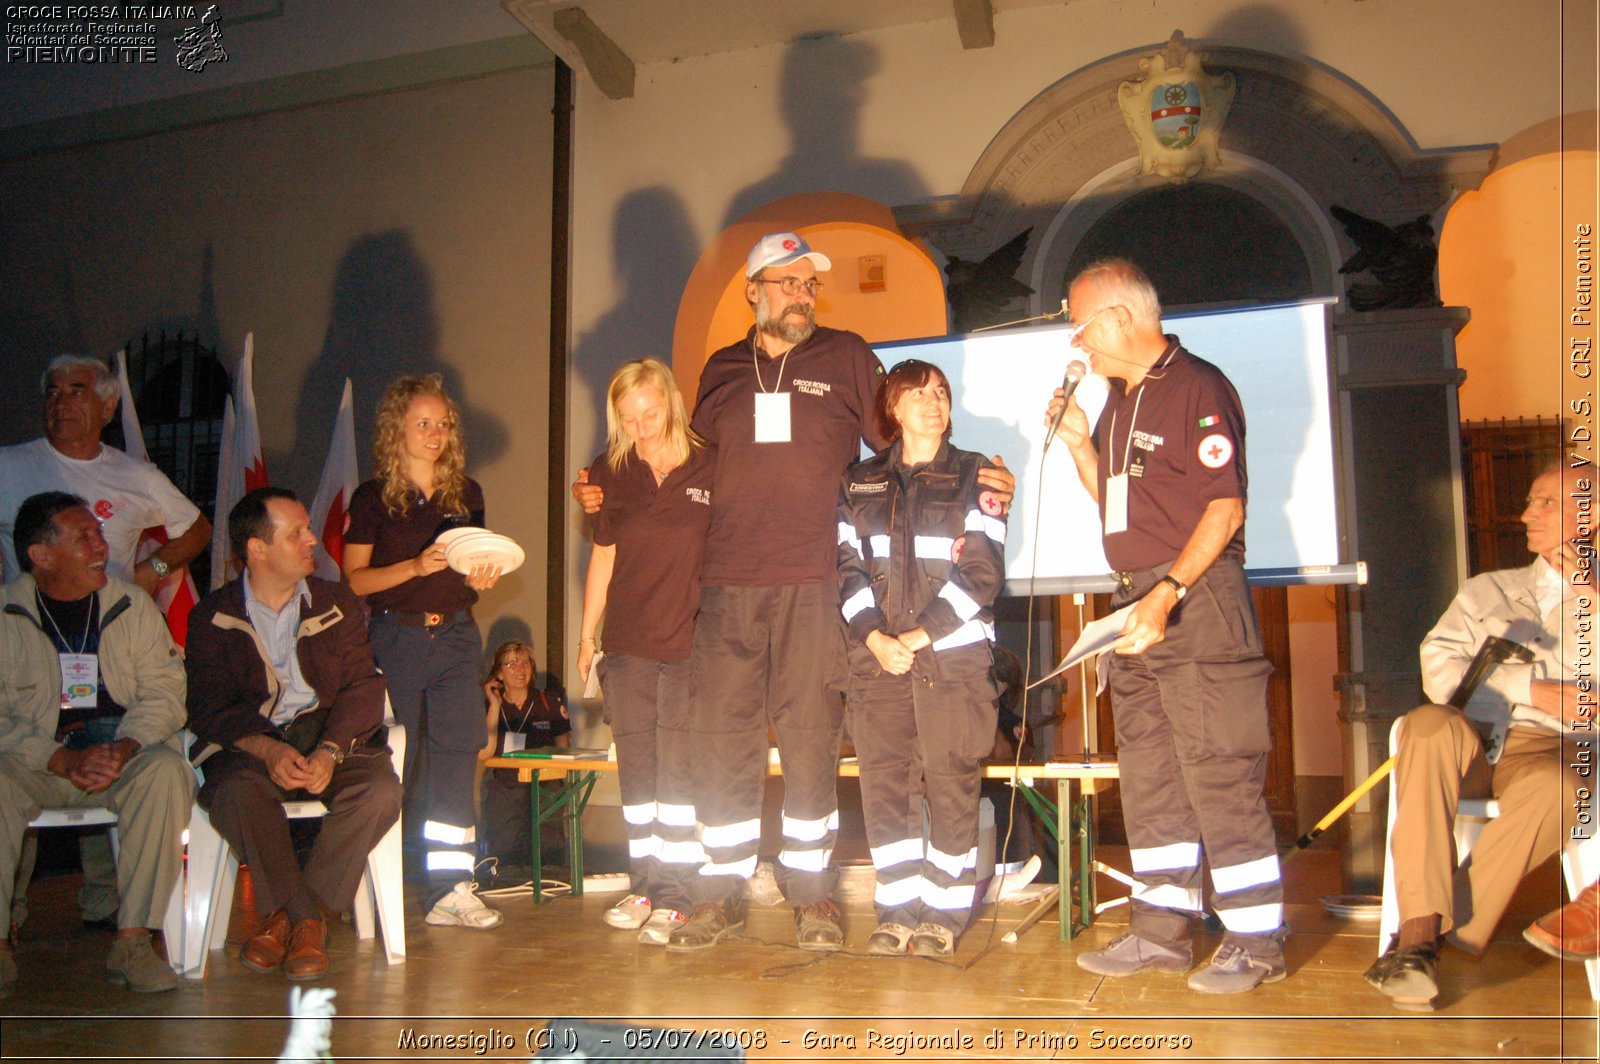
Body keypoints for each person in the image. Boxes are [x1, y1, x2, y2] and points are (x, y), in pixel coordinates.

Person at [575, 234, 1014, 954]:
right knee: (723, 748)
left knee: (811, 743)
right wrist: (601, 491)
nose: (801, 296)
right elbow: (672, 466)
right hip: (724, 590)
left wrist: (979, 481)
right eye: (786, 284)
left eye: (809, 285)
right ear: (754, 291)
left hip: (816, 584)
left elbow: (907, 440)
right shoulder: (719, 371)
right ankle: (720, 895)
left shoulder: (846, 357)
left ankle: (814, 898)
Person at [1046, 258, 1284, 993]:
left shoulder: (1197, 387)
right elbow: (1118, 506)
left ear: (1119, 318)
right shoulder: (1118, 398)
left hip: (1196, 601)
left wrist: (1169, 591)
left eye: (1078, 325)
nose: (1074, 341)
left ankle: (1256, 940)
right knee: (1151, 777)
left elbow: (1225, 507)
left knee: (1218, 770)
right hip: (1136, 605)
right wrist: (1081, 443)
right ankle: (1161, 934)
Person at [1364, 461, 1598, 1010]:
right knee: (1423, 726)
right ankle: (1424, 931)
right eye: (1530, 501)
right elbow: (1438, 669)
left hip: (1556, 750)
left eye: (1545, 502)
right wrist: (1528, 687)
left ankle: (1420, 943)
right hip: (1473, 737)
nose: (1525, 514)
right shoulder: (1489, 590)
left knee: (1562, 790)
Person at [0, 354, 211, 935]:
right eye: (52, 391)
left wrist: (151, 572)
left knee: (123, 748)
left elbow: (195, 527)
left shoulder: (133, 475)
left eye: (76, 391)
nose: (60, 402)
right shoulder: (11, 465)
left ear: (108, 406)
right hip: (27, 643)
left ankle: (117, 917)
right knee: (24, 757)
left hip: (115, 641)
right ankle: (9, 920)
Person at [185, 487, 402, 981]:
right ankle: (309, 921)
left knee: (379, 792)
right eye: (297, 532)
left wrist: (329, 750)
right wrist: (265, 747)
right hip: (254, 744)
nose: (312, 540)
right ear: (257, 549)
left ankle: (287, 920)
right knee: (235, 792)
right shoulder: (212, 616)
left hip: (331, 737)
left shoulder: (335, 601)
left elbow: (364, 688)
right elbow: (207, 708)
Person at [836, 359, 1005, 957]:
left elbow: (981, 573)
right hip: (877, 662)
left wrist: (918, 636)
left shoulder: (977, 475)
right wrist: (877, 639)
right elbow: (846, 570)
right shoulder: (857, 481)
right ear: (893, 409)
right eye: (918, 394)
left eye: (941, 393)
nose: (933, 403)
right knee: (885, 789)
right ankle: (897, 907)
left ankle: (944, 912)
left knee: (952, 784)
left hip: (952, 663)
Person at [0, 492, 193, 995]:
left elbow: (166, 694)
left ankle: (132, 942)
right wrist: (60, 758)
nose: (100, 545)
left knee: (167, 772)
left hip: (118, 756)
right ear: (41, 555)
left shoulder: (132, 608)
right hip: (37, 762)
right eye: (82, 536)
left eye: (98, 534)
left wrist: (126, 747)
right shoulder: (6, 616)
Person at [343, 374, 504, 931]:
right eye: (423, 423)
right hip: (397, 637)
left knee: (461, 753)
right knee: (398, 760)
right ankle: (368, 879)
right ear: (398, 429)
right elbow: (355, 581)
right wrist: (413, 567)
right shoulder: (372, 497)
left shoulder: (467, 493)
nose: (435, 434)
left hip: (457, 634)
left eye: (443, 424)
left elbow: (471, 569)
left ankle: (452, 888)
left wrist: (483, 576)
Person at [576, 359, 715, 946]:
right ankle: (645, 886)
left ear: (672, 402)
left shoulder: (712, 460)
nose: (641, 426)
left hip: (690, 644)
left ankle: (678, 896)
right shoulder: (612, 470)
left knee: (678, 775)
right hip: (628, 646)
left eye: (650, 413)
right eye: (628, 418)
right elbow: (603, 556)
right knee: (638, 774)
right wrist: (587, 636)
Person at [477, 639, 570, 874]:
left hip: (545, 786)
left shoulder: (548, 701)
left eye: (525, 663)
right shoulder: (487, 705)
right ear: (498, 672)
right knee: (506, 848)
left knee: (548, 851)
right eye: (511, 665)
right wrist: (495, 706)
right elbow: (485, 752)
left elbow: (565, 749)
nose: (520, 670)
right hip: (506, 787)